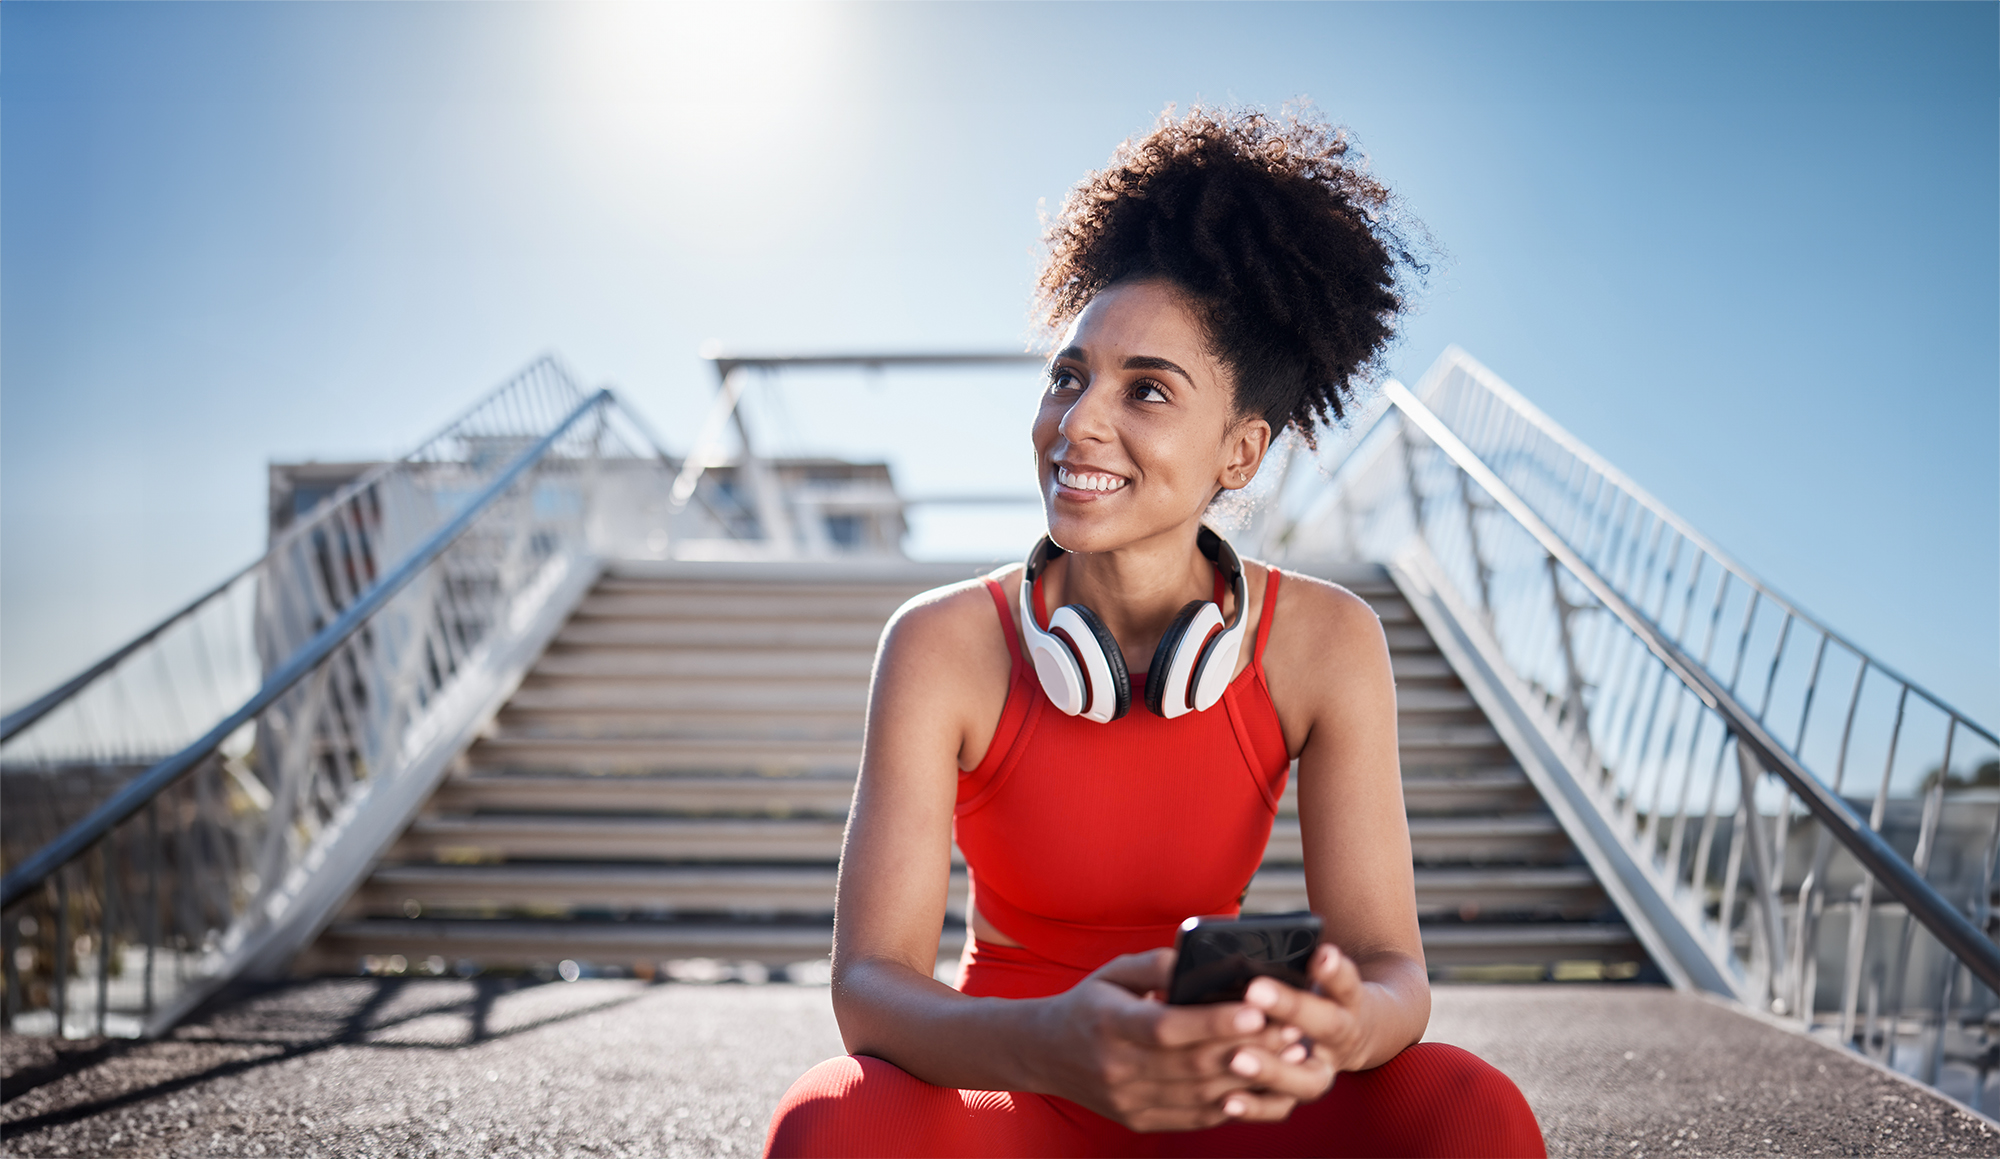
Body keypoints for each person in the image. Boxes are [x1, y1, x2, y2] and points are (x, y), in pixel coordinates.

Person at [765, 105, 1544, 1159]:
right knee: (834, 1118)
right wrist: (1050, 1042)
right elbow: (869, 989)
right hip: (1015, 1081)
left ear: (1238, 451)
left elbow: (1391, 970)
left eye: (1145, 391)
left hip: (1231, 1093)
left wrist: (1339, 1022)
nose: (1078, 420)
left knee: (1469, 1109)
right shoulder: (940, 643)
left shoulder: (1325, 641)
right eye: (1068, 374)